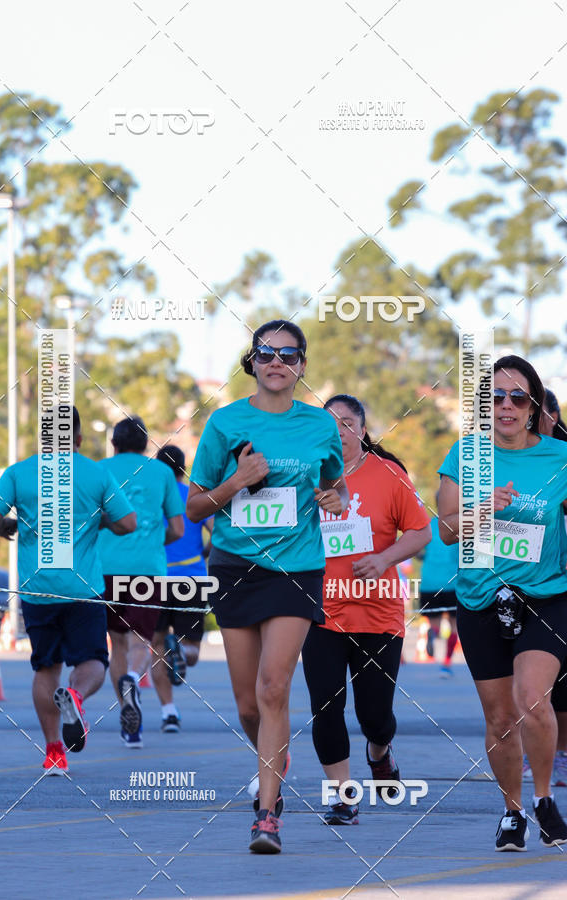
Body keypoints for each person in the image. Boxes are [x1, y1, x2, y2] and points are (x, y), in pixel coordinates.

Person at [186, 319, 348, 853]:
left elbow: (334, 483)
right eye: (266, 352)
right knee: (249, 705)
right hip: (236, 566)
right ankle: (273, 763)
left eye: (289, 353)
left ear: (302, 366)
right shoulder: (225, 423)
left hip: (297, 568)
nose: (277, 361)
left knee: (274, 686)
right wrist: (237, 482)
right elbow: (194, 507)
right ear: (251, 361)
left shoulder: (321, 427)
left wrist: (337, 500)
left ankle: (265, 815)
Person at [438, 356, 567, 850]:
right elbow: (446, 531)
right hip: (480, 601)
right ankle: (512, 811)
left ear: (534, 406)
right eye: (495, 397)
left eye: (518, 397)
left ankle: (542, 799)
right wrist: (478, 510)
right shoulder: (465, 455)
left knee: (531, 699)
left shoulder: (558, 459)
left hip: (545, 598)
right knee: (498, 717)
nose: (507, 406)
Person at [0, 407, 136, 773]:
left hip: (38, 590)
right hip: (82, 589)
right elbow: (128, 522)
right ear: (78, 439)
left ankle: (53, 752)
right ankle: (76, 697)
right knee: (93, 660)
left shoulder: (20, 472)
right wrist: (103, 520)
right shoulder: (96, 473)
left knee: (45, 667)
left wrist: (4, 525)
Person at [302, 394, 431, 825]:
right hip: (320, 610)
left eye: (346, 422)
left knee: (374, 715)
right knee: (326, 705)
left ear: (362, 428)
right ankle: (343, 797)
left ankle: (380, 752)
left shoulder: (389, 474)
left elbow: (420, 532)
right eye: (329, 423)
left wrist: (385, 559)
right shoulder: (306, 476)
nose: (338, 430)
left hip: (378, 613)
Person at [98, 416, 184, 748]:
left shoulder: (99, 469)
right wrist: (149, 541)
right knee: (140, 642)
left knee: (116, 643)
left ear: (114, 444)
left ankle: (130, 728)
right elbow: (177, 529)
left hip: (104, 570)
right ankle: (134, 677)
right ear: (147, 446)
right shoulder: (163, 473)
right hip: (148, 571)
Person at [151, 444, 213, 733]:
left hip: (156, 579)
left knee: (156, 645)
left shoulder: (152, 497)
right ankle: (183, 653)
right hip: (193, 579)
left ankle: (168, 712)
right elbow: (216, 530)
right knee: (193, 652)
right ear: (183, 467)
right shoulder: (193, 496)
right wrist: (204, 552)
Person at [523, 388, 567, 787]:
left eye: (538, 412)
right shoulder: (498, 462)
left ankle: (560, 753)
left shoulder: (562, 459)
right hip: (523, 590)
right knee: (535, 689)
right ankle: (541, 753)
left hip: (558, 589)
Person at [419, 494, 460, 676]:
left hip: (429, 582)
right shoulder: (459, 527)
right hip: (452, 583)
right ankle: (446, 663)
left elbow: (416, 550)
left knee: (434, 621)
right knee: (454, 626)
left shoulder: (426, 525)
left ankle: (433, 632)